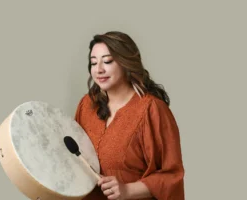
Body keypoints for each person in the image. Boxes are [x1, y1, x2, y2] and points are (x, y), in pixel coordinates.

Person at [74, 31, 185, 200]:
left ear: (126, 62)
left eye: (108, 61)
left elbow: (172, 176)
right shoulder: (87, 105)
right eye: (93, 62)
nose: (99, 69)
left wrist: (127, 190)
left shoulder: (152, 110)